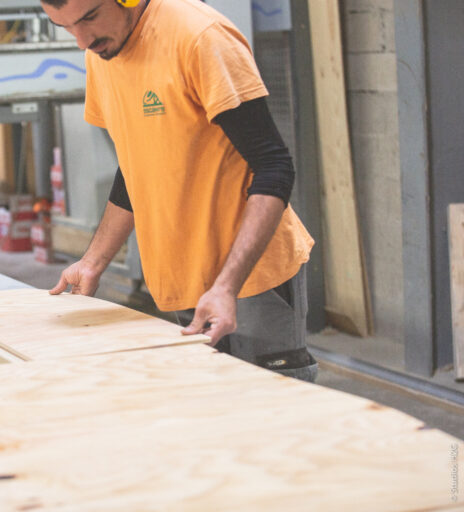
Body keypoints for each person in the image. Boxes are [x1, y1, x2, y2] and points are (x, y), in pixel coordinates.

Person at [41, 0, 318, 381]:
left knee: (274, 408)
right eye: (66, 27)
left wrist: (226, 287)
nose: (82, 40)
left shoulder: (199, 38)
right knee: (208, 409)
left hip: (251, 280)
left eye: (89, 17)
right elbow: (136, 166)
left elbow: (273, 167)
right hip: (181, 279)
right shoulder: (101, 53)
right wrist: (93, 262)